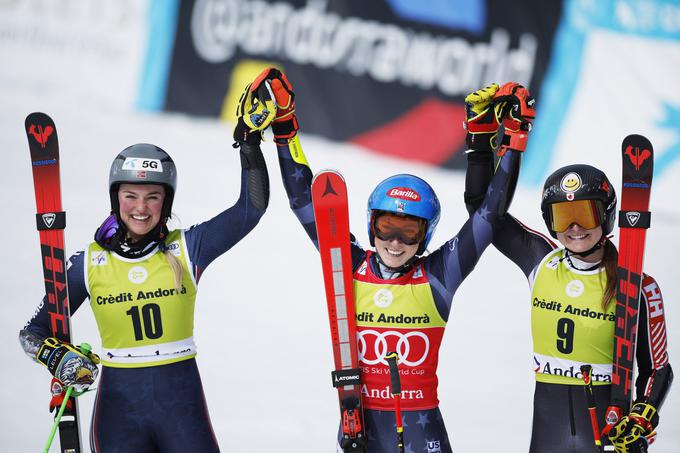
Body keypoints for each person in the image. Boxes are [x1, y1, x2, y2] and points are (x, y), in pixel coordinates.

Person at [238, 68, 533, 452]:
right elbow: (304, 202)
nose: (394, 243)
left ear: (425, 235)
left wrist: (511, 143)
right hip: (362, 430)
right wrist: (284, 128)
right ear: (371, 225)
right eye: (386, 227)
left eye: (408, 233)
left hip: (421, 433)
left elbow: (489, 216)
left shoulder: (439, 275)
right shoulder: (349, 266)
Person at [19, 103, 270, 452]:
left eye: (153, 197)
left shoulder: (188, 249)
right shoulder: (89, 263)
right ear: (115, 198)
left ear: (165, 203)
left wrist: (249, 145)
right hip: (118, 410)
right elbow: (33, 333)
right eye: (130, 196)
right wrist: (58, 358)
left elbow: (250, 209)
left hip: (181, 408)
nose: (141, 207)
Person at [462, 83, 673, 452]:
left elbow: (658, 369)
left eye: (584, 214)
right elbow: (483, 210)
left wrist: (642, 416)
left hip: (607, 432)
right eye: (563, 216)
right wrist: (483, 144)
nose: (574, 227)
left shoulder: (637, 284)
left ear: (605, 216)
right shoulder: (541, 261)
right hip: (549, 429)